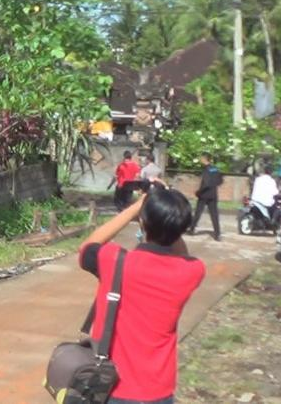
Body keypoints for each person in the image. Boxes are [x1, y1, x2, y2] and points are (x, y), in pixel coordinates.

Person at [79, 184, 206, 404]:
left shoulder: (115, 261)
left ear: (143, 222)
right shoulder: (192, 271)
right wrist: (168, 218)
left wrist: (137, 207)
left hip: (112, 388)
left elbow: (88, 246)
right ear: (182, 229)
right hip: (159, 391)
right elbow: (181, 253)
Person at [189, 153, 223, 241]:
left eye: (201, 159)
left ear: (204, 159)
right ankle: (217, 234)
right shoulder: (215, 169)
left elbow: (206, 183)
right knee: (214, 215)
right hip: (213, 194)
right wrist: (213, 185)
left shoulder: (206, 170)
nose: (200, 160)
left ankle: (192, 229)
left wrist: (198, 192)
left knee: (198, 212)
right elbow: (220, 181)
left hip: (204, 194)